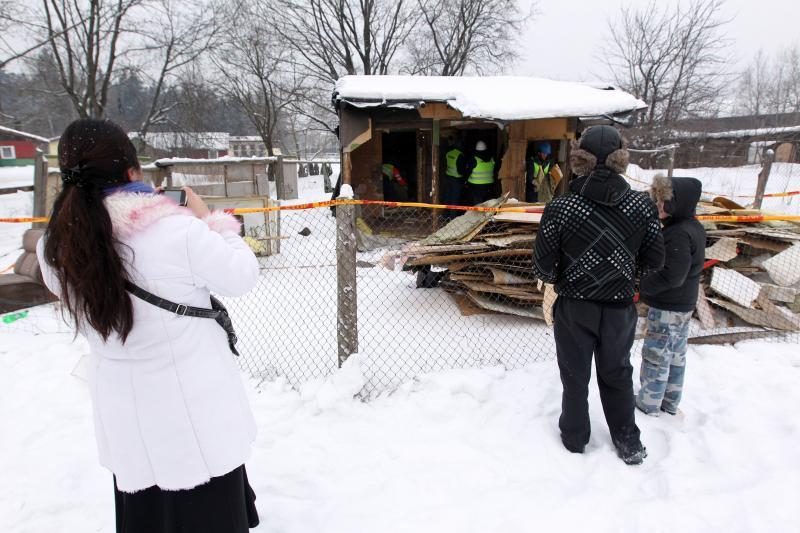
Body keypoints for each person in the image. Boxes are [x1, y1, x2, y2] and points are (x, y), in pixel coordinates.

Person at [36, 118, 261, 532]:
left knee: (147, 516)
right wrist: (211, 220)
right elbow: (241, 275)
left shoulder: (54, 246)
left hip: (126, 417)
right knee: (208, 510)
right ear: (131, 172)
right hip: (194, 418)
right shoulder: (177, 231)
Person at [532, 125, 665, 465]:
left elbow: (543, 268)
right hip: (620, 308)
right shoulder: (642, 205)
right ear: (622, 160)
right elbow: (655, 261)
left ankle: (575, 439)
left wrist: (568, 278)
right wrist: (625, 278)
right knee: (618, 373)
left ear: (579, 160)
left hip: (575, 308)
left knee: (574, 375)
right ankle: (628, 442)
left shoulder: (560, 207)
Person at [637, 175, 705, 417]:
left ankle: (648, 402)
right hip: (683, 305)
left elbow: (672, 275)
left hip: (668, 307)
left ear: (677, 203)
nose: (658, 205)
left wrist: (642, 286)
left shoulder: (678, 233)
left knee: (656, 355)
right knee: (675, 355)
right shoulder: (693, 227)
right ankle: (670, 401)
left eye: (663, 200)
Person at [442, 137, 473, 208]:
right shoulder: (460, 155)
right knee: (454, 199)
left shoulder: (448, 153)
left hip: (448, 177)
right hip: (456, 180)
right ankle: (453, 216)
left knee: (447, 196)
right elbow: (460, 171)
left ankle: (445, 214)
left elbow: (445, 164)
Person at [466, 140, 496, 205]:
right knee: (488, 204)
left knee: (477, 204)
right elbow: (495, 169)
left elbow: (468, 172)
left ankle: (478, 215)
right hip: (489, 185)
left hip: (476, 186)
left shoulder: (474, 159)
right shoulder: (491, 159)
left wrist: (465, 181)